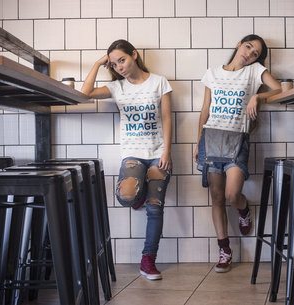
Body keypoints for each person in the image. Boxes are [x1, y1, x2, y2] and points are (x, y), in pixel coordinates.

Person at [82, 39, 172, 281]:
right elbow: (85, 93)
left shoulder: (159, 82)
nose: (119, 66)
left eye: (122, 59)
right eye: (114, 63)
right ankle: (138, 197)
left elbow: (166, 118)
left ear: (134, 55)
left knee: (155, 208)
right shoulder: (117, 87)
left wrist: (166, 152)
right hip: (133, 153)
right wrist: (98, 63)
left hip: (157, 154)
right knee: (127, 196)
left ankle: (148, 260)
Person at [194, 34, 281, 273]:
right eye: (248, 46)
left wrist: (257, 96)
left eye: (255, 53)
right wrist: (197, 140)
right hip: (211, 138)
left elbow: (278, 89)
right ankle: (224, 250)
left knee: (232, 194)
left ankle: (243, 208)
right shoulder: (212, 73)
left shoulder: (255, 72)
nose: (249, 53)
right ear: (239, 44)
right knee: (217, 197)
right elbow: (205, 109)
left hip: (237, 140)